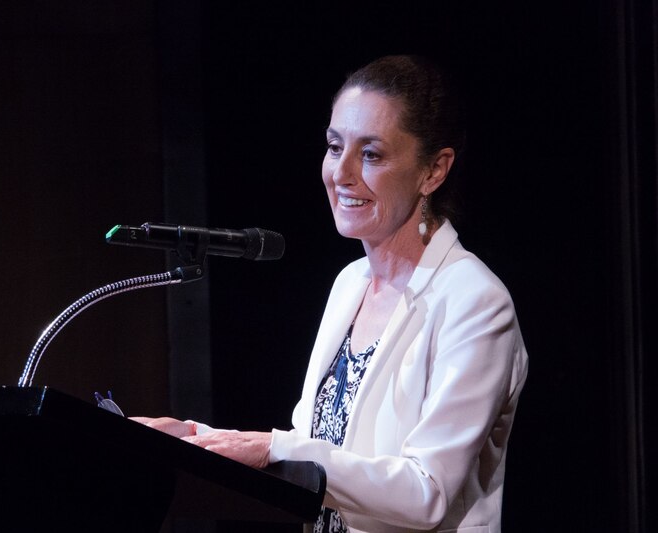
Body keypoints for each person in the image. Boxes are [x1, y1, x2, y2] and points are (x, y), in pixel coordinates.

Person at [133, 55, 528, 533]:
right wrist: (196, 441)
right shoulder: (350, 284)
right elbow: (316, 455)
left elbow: (428, 493)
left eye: (372, 154)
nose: (341, 173)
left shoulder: (474, 301)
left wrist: (275, 447)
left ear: (434, 170)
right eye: (334, 146)